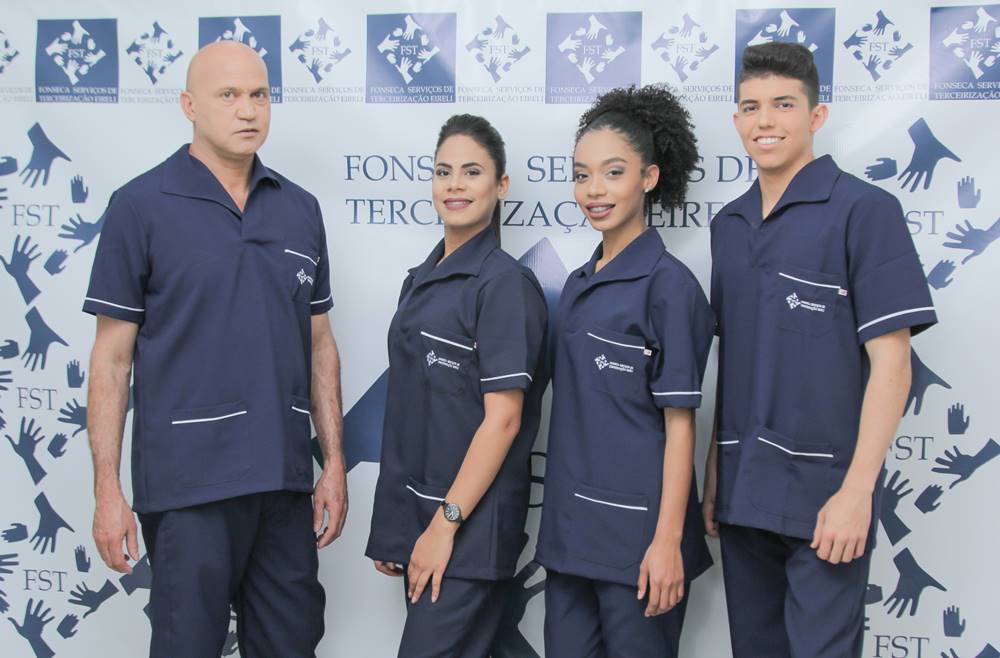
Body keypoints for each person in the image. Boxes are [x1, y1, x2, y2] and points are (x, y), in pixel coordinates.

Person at [83, 41, 347, 657]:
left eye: (259, 95)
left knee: (291, 646)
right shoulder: (140, 206)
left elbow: (320, 345)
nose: (247, 110)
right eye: (228, 95)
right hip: (188, 487)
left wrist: (333, 463)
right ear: (189, 106)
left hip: (282, 483)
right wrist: (106, 490)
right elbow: (111, 361)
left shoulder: (300, 209)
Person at [702, 42, 937, 657]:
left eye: (784, 104)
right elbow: (738, 361)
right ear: (736, 119)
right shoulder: (729, 226)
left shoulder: (865, 211)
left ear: (817, 115)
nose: (765, 121)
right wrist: (715, 471)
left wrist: (858, 493)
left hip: (826, 497)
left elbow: (893, 365)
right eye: (751, 107)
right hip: (743, 492)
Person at [535, 85, 714, 658]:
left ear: (650, 177)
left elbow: (680, 426)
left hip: (640, 544)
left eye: (613, 173)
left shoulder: (671, 288)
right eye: (582, 175)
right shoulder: (578, 284)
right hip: (570, 537)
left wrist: (667, 544)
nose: (595, 190)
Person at [365, 114, 548, 657]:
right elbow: (411, 414)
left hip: (468, 531)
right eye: (444, 171)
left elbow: (504, 421)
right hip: (421, 524)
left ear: (501, 185)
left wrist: (444, 526)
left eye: (472, 172)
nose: (455, 184)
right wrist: (398, 529)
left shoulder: (505, 285)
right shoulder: (418, 281)